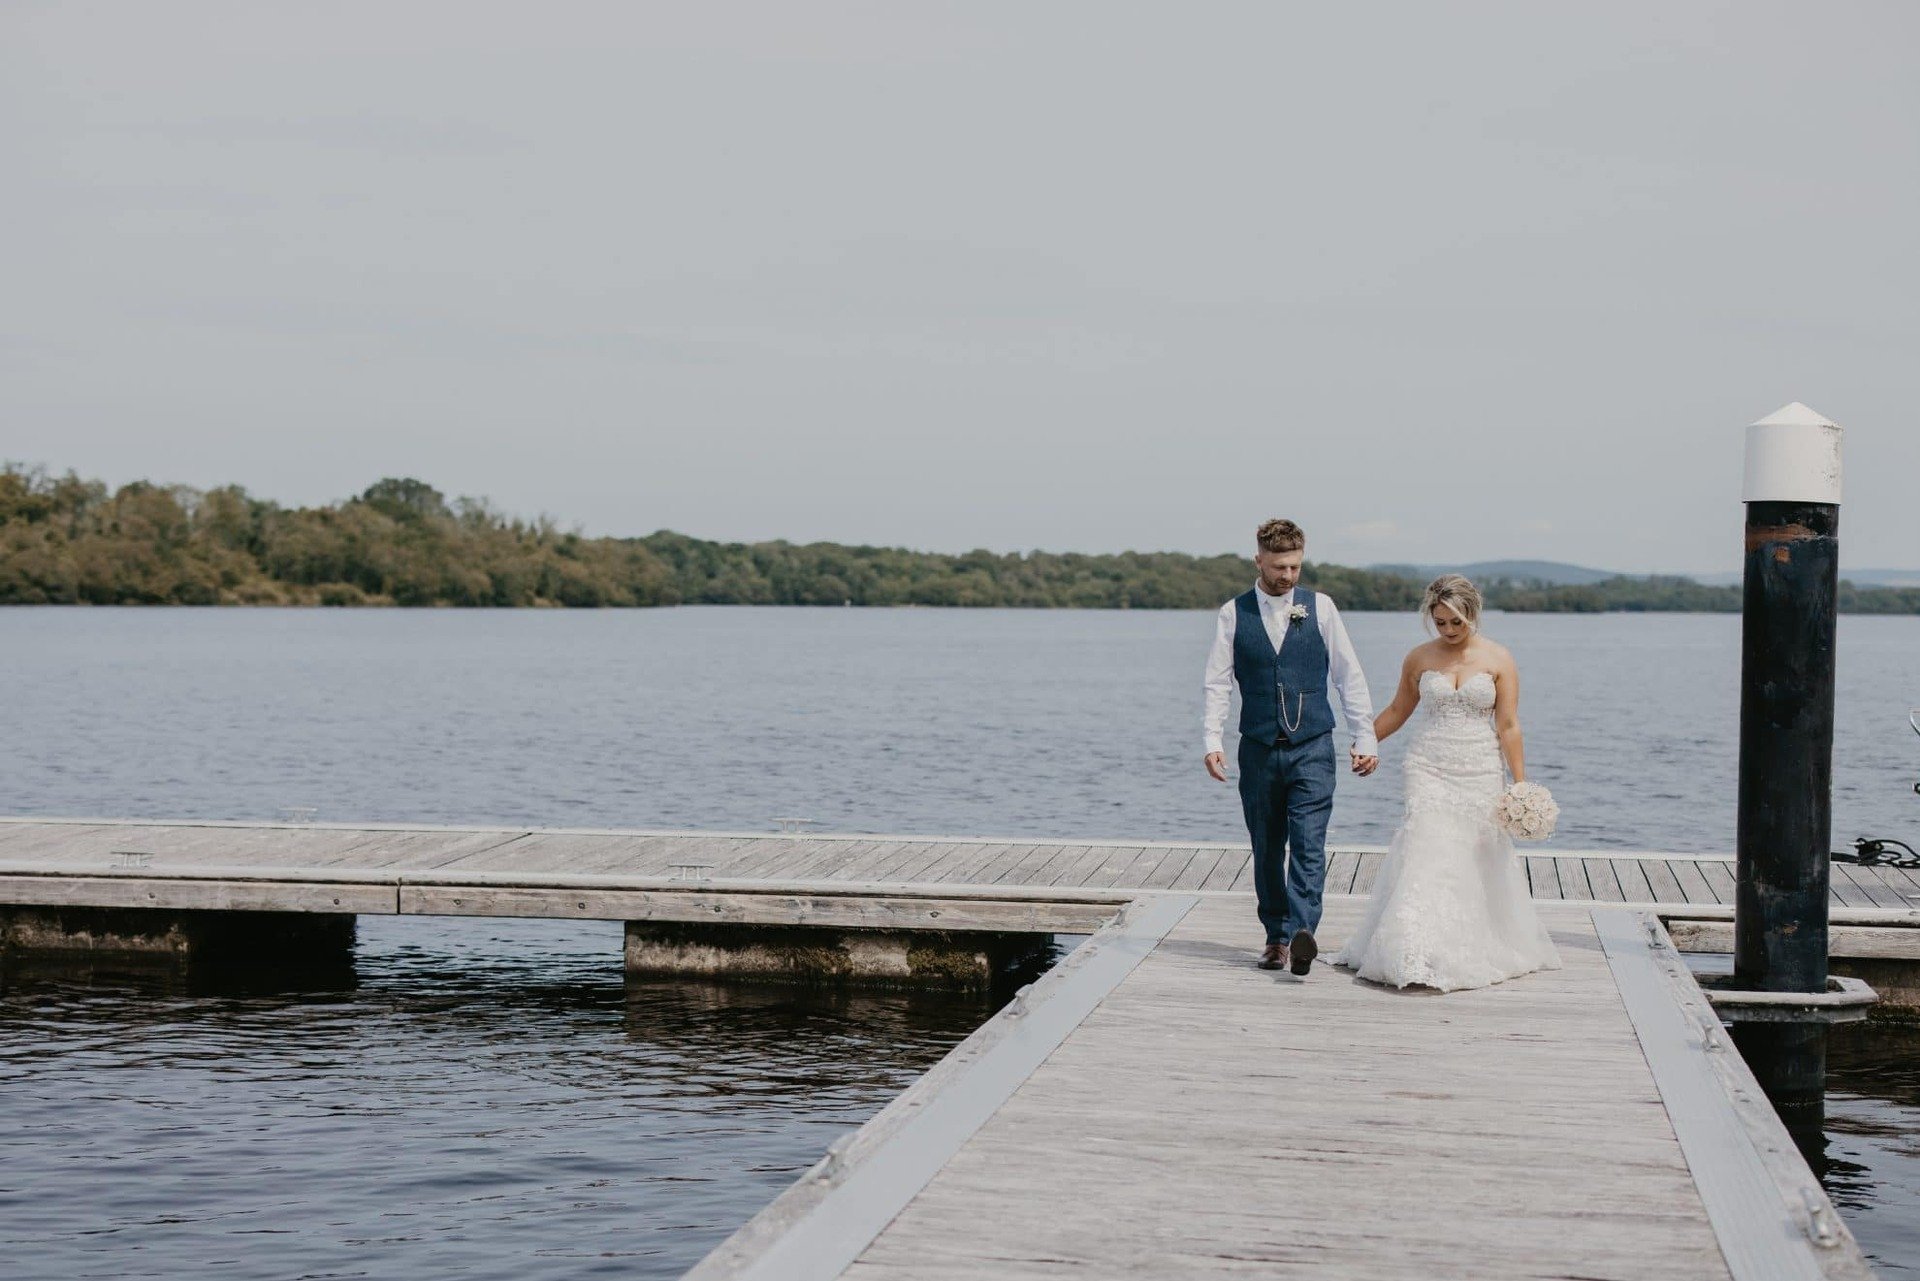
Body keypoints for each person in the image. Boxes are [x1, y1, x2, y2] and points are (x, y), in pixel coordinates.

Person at [1330, 575, 1561, 991]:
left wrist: (1521, 785)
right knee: (1425, 845)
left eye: (1457, 622)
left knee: (1472, 857)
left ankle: (1463, 947)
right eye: (1441, 623)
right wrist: (1366, 742)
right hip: (1428, 765)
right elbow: (1399, 709)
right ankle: (1413, 947)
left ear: (1473, 613)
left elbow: (1508, 725)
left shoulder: (1498, 659)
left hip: (1479, 768)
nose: (1450, 631)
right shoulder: (1419, 658)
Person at [1203, 519, 1377, 974]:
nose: (1288, 576)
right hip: (1258, 749)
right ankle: (1275, 938)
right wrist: (1211, 740)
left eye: (1296, 567)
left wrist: (1365, 736)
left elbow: (1347, 675)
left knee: (1308, 842)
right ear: (1258, 560)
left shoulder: (1320, 607)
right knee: (1266, 846)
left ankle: (1303, 933)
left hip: (1313, 747)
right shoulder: (1232, 613)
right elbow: (1218, 683)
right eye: (1279, 567)